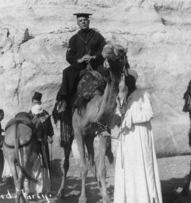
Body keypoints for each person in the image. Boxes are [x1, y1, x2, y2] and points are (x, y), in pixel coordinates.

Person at [114, 70, 162, 203]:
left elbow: (148, 114)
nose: (126, 82)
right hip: (128, 139)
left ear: (133, 81)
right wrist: (120, 112)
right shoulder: (122, 97)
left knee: (141, 168)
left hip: (140, 137)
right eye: (123, 80)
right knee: (129, 170)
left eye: (128, 79)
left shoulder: (142, 95)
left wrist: (129, 117)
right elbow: (118, 115)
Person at [57, 12, 106, 114]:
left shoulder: (97, 36)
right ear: (77, 23)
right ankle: (65, 100)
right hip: (80, 64)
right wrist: (79, 60)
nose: (83, 22)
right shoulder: (74, 38)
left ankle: (115, 101)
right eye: (80, 21)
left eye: (85, 20)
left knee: (109, 74)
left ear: (88, 21)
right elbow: (69, 56)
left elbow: (104, 50)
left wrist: (94, 57)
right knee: (67, 71)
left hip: (95, 64)